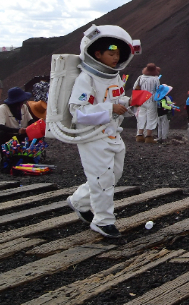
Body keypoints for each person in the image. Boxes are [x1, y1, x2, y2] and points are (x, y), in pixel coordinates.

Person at [66, 25, 134, 239]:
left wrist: (128, 105)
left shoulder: (113, 77)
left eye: (118, 54)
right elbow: (77, 112)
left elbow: (115, 99)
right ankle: (103, 221)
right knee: (102, 177)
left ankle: (78, 200)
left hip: (112, 132)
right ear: (97, 54)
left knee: (114, 174)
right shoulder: (86, 79)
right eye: (111, 53)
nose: (116, 58)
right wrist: (110, 109)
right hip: (92, 135)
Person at [133, 64, 160, 143]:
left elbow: (134, 87)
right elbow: (158, 89)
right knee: (151, 118)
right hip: (151, 99)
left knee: (141, 117)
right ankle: (149, 136)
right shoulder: (155, 79)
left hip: (142, 99)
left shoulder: (140, 77)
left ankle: (139, 135)